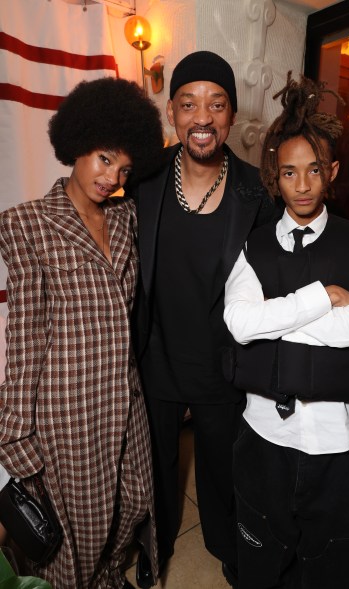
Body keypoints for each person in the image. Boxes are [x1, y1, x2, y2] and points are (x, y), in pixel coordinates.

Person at [223, 72, 349, 589]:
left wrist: (281, 322)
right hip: (264, 442)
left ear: (331, 172)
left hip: (338, 448)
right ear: (276, 173)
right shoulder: (255, 245)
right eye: (290, 172)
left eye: (314, 171)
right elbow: (239, 322)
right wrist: (321, 298)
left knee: (327, 568)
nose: (302, 185)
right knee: (260, 562)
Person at [0, 77, 164, 589]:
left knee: (135, 502)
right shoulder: (28, 224)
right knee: (79, 534)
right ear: (77, 145)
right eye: (103, 158)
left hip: (124, 396)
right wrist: (15, 432)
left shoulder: (124, 218)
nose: (112, 177)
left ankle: (110, 576)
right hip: (69, 409)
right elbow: (25, 335)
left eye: (124, 168)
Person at [128, 50, 276, 589]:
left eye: (217, 104)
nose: (203, 117)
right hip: (157, 354)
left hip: (223, 362)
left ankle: (228, 546)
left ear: (233, 117)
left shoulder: (254, 193)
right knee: (157, 470)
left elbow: (289, 257)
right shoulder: (143, 179)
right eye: (189, 104)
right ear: (172, 111)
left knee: (224, 470)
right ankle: (154, 546)